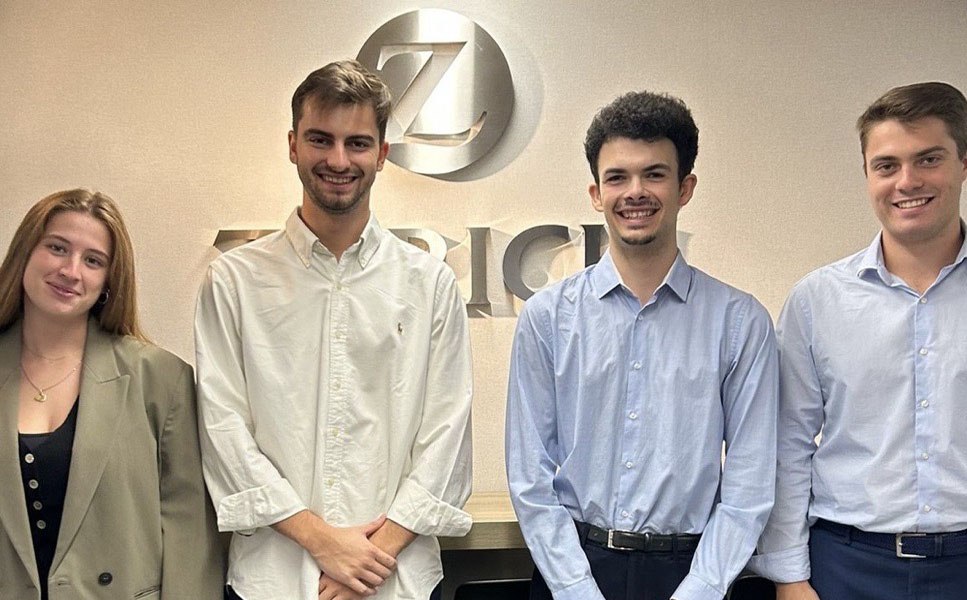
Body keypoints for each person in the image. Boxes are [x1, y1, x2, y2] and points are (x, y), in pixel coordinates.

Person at [194, 59, 473, 600]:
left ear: (383, 154)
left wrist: (369, 560)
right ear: (293, 144)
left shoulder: (429, 283)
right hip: (273, 582)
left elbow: (447, 434)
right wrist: (323, 542)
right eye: (321, 140)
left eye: (358, 143)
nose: (339, 160)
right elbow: (223, 429)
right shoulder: (233, 282)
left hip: (397, 582)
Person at [505, 91, 778, 600]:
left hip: (694, 574)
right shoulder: (548, 317)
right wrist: (574, 589)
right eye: (617, 177)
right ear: (595, 192)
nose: (635, 192)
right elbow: (530, 477)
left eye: (654, 174)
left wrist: (701, 588)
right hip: (573, 570)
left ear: (685, 187)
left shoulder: (740, 322)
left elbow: (750, 485)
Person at [750, 82, 967, 600]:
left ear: (963, 163)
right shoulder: (817, 301)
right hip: (846, 568)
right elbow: (787, 446)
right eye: (886, 165)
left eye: (928, 159)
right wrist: (790, 576)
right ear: (868, 175)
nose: (906, 181)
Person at [0, 189, 224, 599]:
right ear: (24, 254)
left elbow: (190, 539)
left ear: (108, 280)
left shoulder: (160, 380)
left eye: (93, 260)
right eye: (57, 248)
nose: (71, 271)